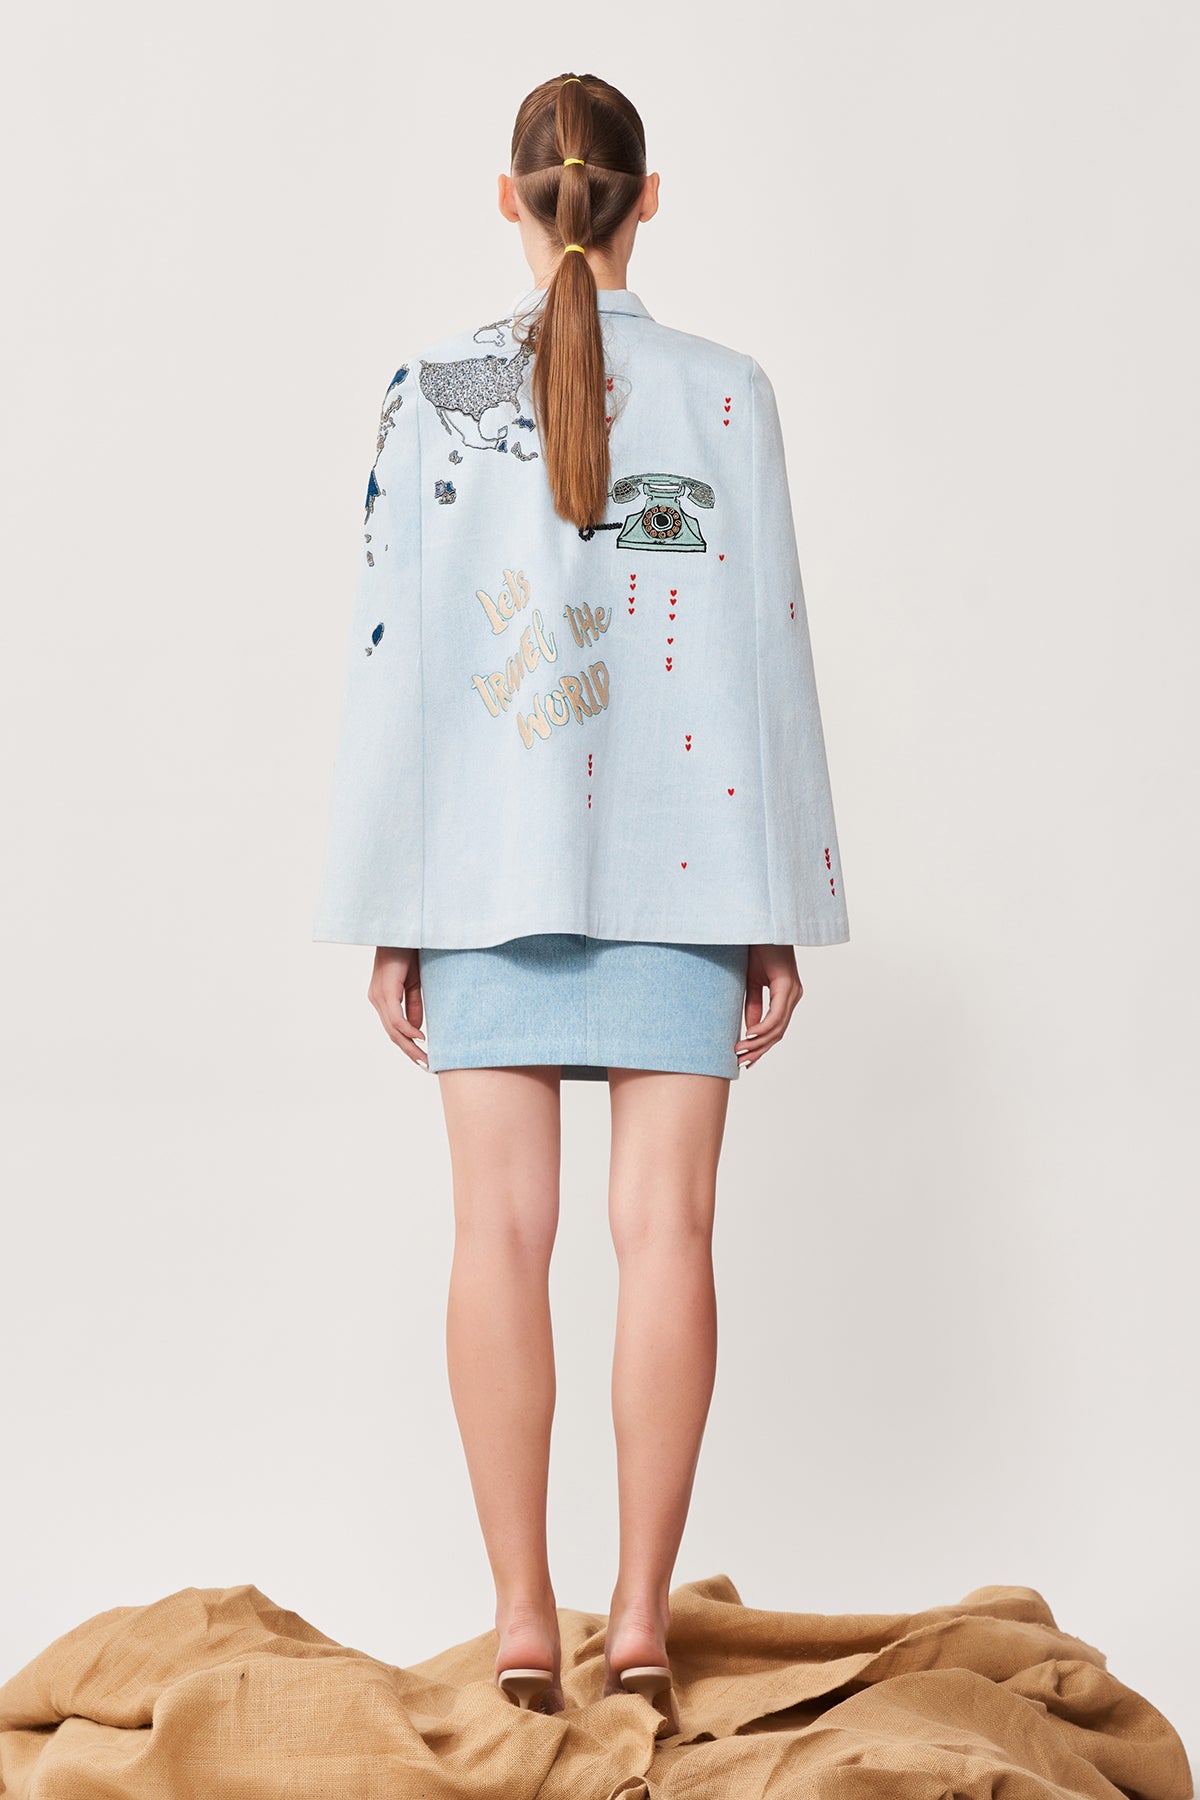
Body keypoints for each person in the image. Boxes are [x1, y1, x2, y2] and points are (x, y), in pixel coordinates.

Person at [312, 71, 850, 1724]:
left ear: (512, 198)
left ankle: (519, 1622)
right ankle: (638, 1625)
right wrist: (776, 906)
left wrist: (395, 908)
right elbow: (763, 655)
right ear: (646, 198)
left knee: (498, 1232)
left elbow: (396, 666)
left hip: (483, 873)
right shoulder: (730, 395)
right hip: (690, 870)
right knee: (666, 1230)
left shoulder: (431, 391)